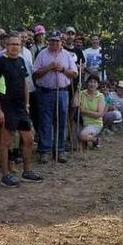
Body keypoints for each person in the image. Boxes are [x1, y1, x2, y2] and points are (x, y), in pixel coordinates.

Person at [0, 36, 43, 186]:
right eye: (12, 44)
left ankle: (27, 172)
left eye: (17, 44)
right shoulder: (0, 62)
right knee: (5, 141)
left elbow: (25, 83)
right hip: (6, 107)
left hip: (21, 108)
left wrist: (27, 103)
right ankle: (5, 175)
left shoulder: (21, 61)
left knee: (28, 139)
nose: (15, 47)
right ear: (6, 45)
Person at [33, 31, 77, 164]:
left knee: (61, 121)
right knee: (45, 121)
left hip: (62, 92)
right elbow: (35, 74)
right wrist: (49, 67)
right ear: (48, 41)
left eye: (57, 41)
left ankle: (60, 150)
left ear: (61, 42)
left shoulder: (67, 55)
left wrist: (63, 70)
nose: (54, 43)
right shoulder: (42, 54)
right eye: (52, 41)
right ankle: (44, 151)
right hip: (45, 92)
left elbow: (74, 74)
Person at [75, 75, 106, 149]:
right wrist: (77, 90)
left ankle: (95, 139)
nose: (92, 84)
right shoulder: (82, 93)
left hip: (95, 124)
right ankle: (89, 139)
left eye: (95, 82)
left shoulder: (100, 96)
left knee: (82, 136)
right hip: (84, 122)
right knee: (76, 145)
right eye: (90, 82)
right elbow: (74, 104)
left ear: (98, 85)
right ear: (87, 83)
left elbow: (99, 114)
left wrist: (84, 111)